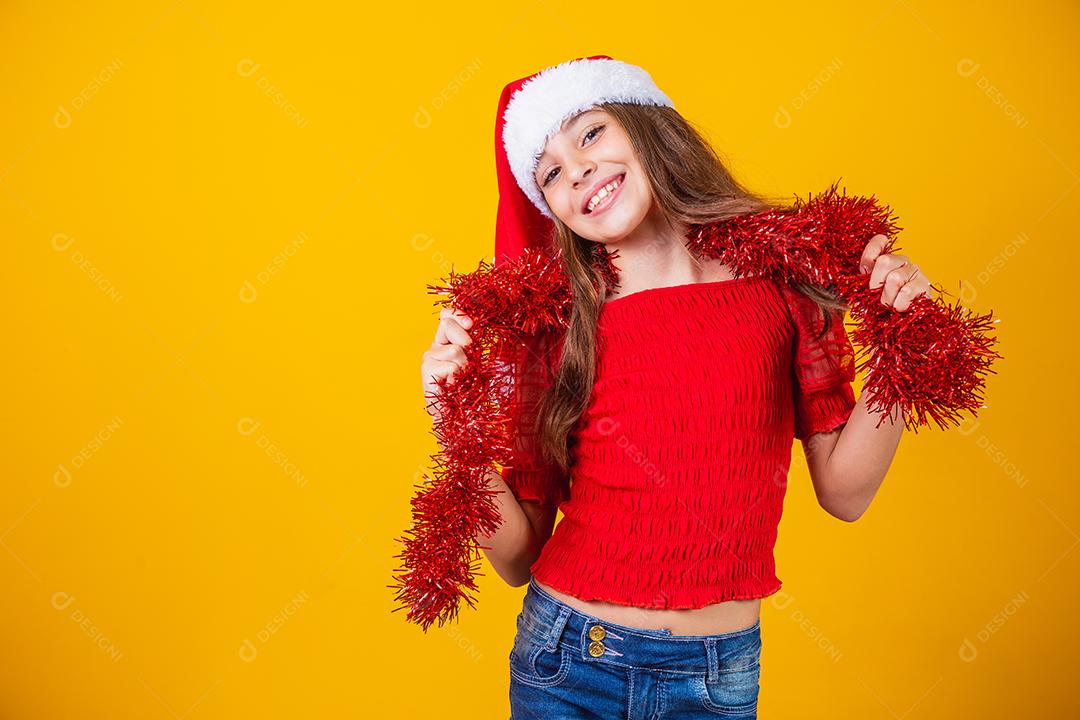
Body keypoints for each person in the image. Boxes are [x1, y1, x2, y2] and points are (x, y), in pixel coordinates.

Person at [420, 55, 932, 719]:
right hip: (571, 659)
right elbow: (517, 557)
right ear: (553, 210)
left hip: (717, 674)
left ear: (647, 125)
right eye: (549, 173)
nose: (575, 168)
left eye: (590, 133)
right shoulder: (563, 326)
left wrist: (904, 340)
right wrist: (448, 421)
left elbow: (846, 490)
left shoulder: (781, 283)